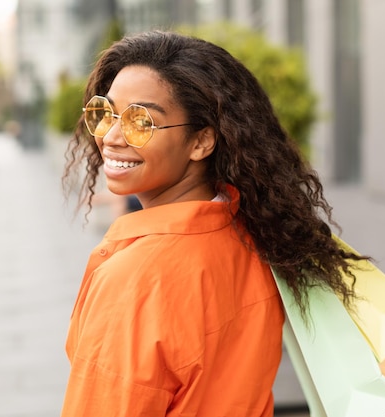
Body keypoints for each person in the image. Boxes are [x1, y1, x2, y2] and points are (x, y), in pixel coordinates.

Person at [61, 30, 363, 416]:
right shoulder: (251, 232)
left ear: (202, 141)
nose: (112, 136)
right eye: (106, 113)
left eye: (142, 121)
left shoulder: (136, 281)